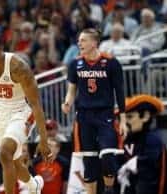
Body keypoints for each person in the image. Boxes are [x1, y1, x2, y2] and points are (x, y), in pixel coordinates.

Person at [0, 33, 52, 194]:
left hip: (22, 111)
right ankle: (33, 185)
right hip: (0, 112)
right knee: (14, 163)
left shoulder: (18, 67)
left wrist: (44, 139)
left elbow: (36, 104)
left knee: (4, 153)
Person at [62, 28, 127, 194]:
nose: (79, 43)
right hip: (84, 117)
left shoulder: (111, 62)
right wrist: (67, 102)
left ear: (94, 42)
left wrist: (123, 120)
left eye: (83, 40)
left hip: (105, 115)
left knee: (108, 156)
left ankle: (108, 189)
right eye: (79, 40)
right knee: (89, 162)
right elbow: (71, 90)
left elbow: (119, 92)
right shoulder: (75, 63)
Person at [117, 94, 167, 194]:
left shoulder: (152, 139)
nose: (124, 123)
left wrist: (133, 164)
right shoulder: (127, 141)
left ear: (145, 116)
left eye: (130, 117)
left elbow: (148, 171)